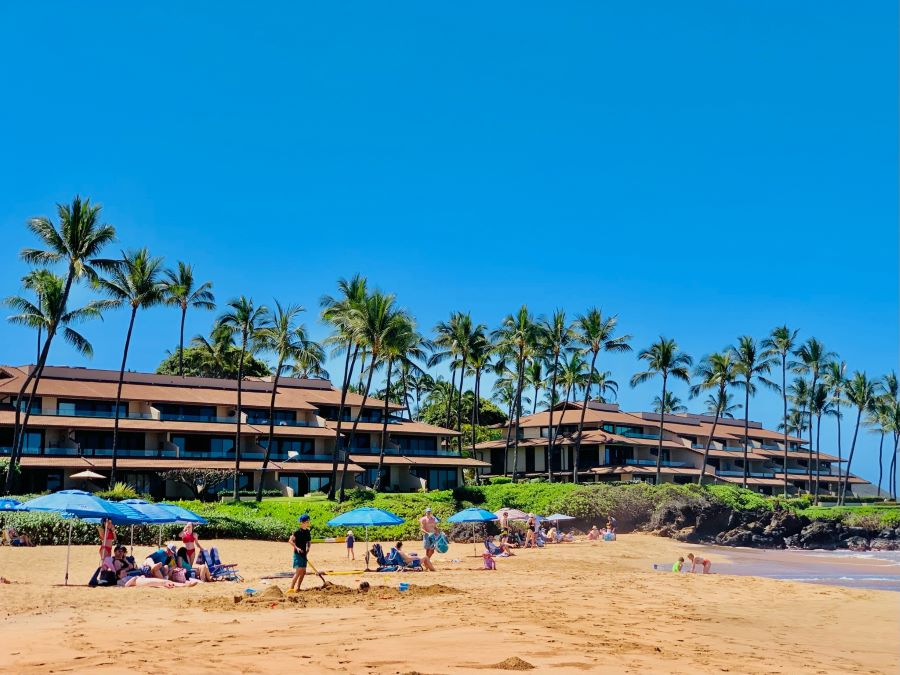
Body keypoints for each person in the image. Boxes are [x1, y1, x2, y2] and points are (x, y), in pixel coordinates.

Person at [288, 514, 312, 593]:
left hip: (304, 554)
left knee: (303, 571)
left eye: (308, 521)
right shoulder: (297, 532)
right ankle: (291, 588)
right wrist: (297, 548)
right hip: (297, 554)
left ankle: (298, 587)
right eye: (307, 521)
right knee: (299, 571)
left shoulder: (308, 531)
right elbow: (290, 541)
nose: (308, 522)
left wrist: (308, 548)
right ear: (302, 522)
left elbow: (308, 541)